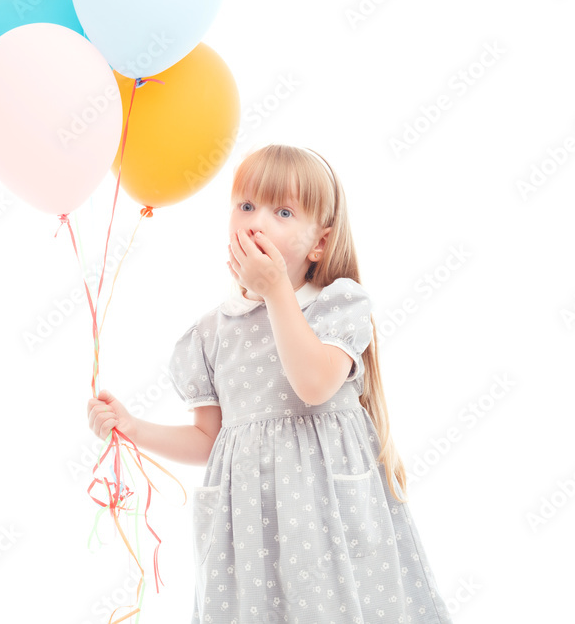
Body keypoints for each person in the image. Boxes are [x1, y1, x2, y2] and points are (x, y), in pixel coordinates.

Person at [87, 144, 454, 623]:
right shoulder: (212, 333)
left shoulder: (335, 305)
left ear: (319, 243)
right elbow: (208, 439)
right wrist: (133, 427)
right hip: (253, 523)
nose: (256, 222)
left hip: (328, 516)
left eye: (282, 211)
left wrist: (276, 289)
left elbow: (315, 385)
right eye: (245, 206)